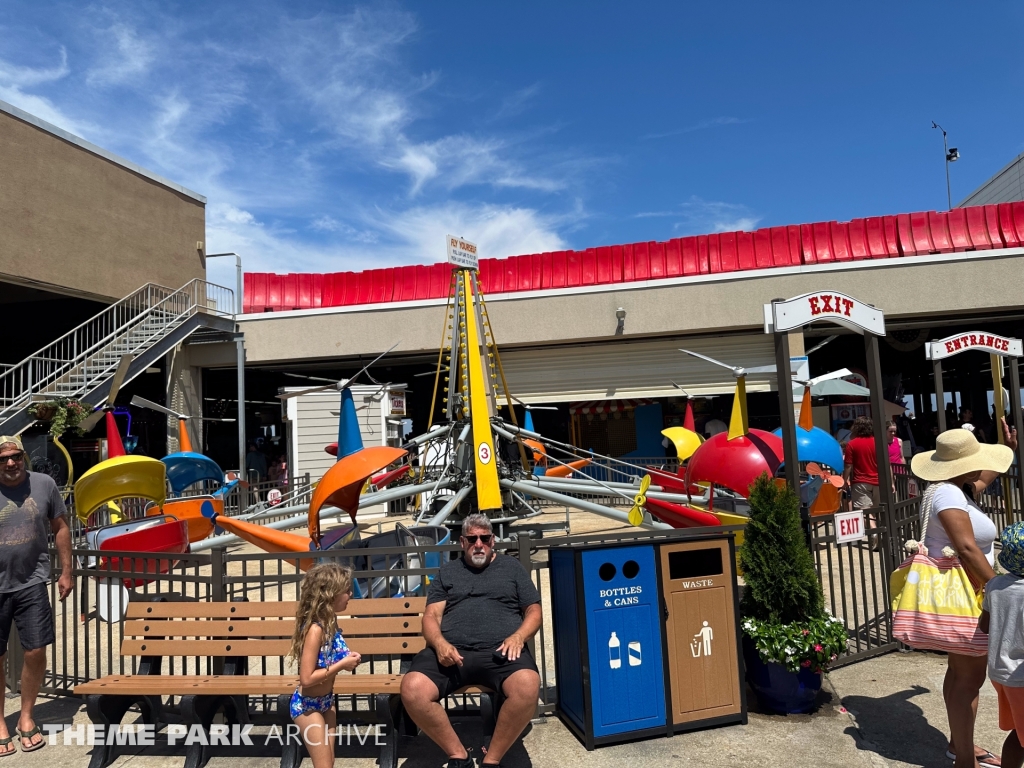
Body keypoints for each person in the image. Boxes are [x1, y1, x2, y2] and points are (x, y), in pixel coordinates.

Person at [911, 423, 1018, 768]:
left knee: (959, 674)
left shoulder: (958, 488)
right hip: (969, 593)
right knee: (969, 679)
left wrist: (1005, 445)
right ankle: (965, 760)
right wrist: (999, 590)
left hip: (969, 592)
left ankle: (961, 745)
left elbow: (988, 475)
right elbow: (967, 548)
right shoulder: (948, 494)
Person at [401, 513, 542, 768]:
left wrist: (519, 636)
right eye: (472, 539)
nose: (479, 544)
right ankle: (459, 756)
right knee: (413, 689)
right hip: (452, 654)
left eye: (485, 538)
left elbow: (534, 610)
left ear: (493, 541)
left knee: (528, 685)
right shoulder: (448, 571)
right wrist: (440, 643)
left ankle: (492, 759)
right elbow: (431, 615)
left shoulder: (511, 568)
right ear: (462, 542)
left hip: (501, 652)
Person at [0, 436, 73, 754]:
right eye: (3, 459)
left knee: (35, 651)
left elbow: (60, 526)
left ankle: (26, 716)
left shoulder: (44, 484)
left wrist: (66, 572)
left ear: (24, 457)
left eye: (15, 457)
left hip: (32, 582)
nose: (10, 463)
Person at [287, 563, 362, 768]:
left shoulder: (331, 623)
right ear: (331, 594)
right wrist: (342, 665)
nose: (351, 595)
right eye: (347, 591)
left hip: (326, 702)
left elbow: (332, 656)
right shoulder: (315, 630)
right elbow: (307, 678)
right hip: (307, 706)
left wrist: (349, 658)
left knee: (328, 762)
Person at [980, 522, 1024, 768]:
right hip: (1020, 674)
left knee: (1019, 733)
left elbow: (984, 626)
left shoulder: (994, 585)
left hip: (1000, 673)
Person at [843, 417, 880, 511]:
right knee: (877, 510)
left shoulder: (851, 444)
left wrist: (844, 481)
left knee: (864, 512)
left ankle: (872, 526)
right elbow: (887, 463)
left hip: (860, 482)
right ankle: (875, 525)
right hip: (878, 481)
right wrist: (891, 482)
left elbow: (848, 465)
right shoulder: (878, 442)